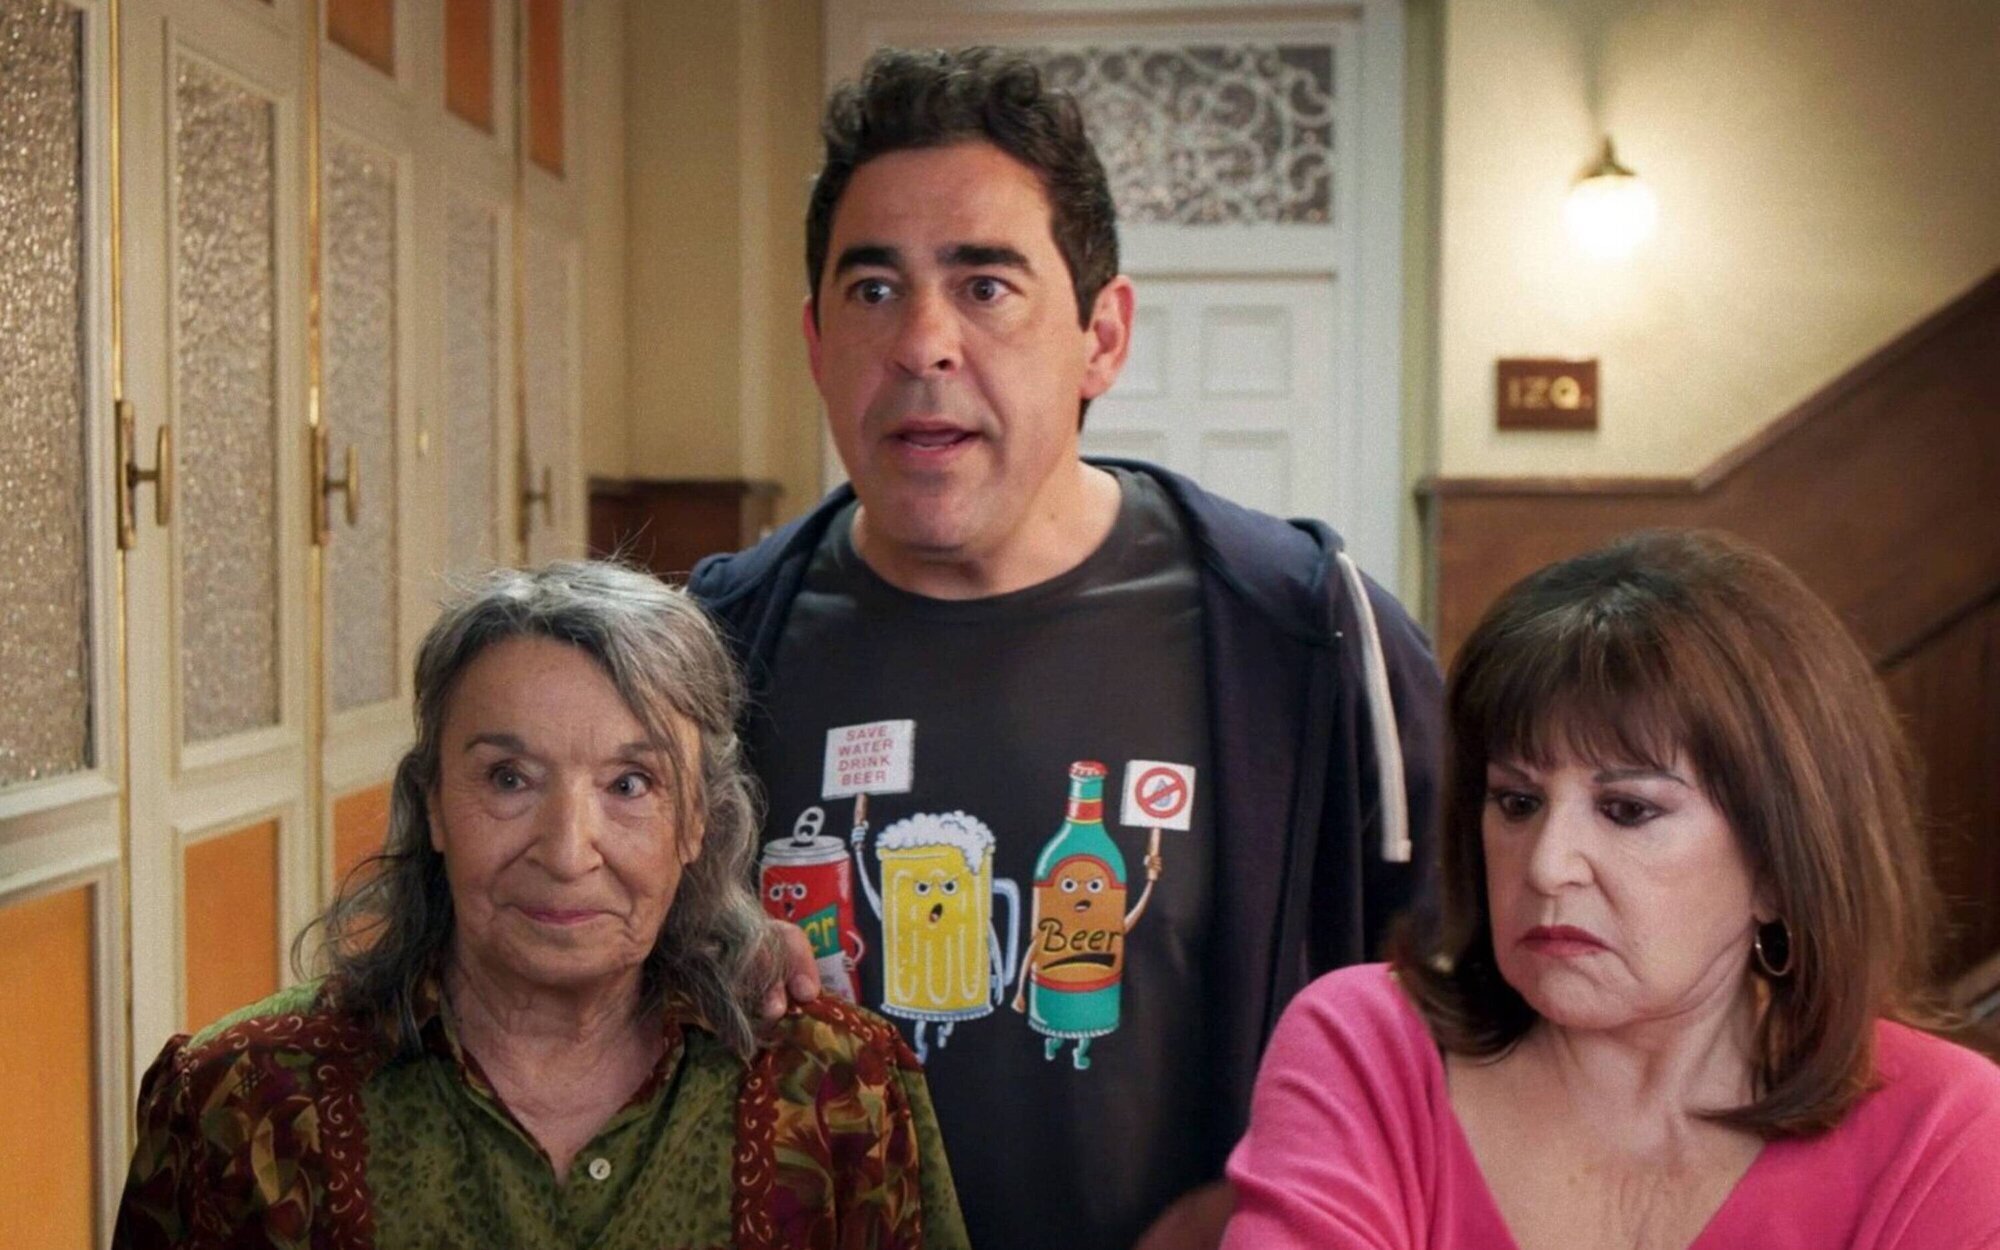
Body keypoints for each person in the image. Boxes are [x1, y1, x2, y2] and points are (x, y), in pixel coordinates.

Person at [688, 45, 1442, 1250]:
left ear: (1102, 334)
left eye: (984, 285)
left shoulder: (1302, 632)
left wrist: (1289, 1197)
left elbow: (1463, 1006)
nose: (922, 342)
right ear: (816, 339)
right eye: (872, 289)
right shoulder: (710, 651)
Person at [112, 563, 967, 1249]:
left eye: (630, 784)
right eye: (509, 779)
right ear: (434, 805)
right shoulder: (244, 1105)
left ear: (696, 822)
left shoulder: (835, 1093)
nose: (566, 852)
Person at [1222, 530, 2000, 1249]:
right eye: (1516, 802)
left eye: (1628, 811)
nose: (1546, 865)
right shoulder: (1367, 1046)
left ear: (1778, 862)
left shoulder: (1945, 1126)